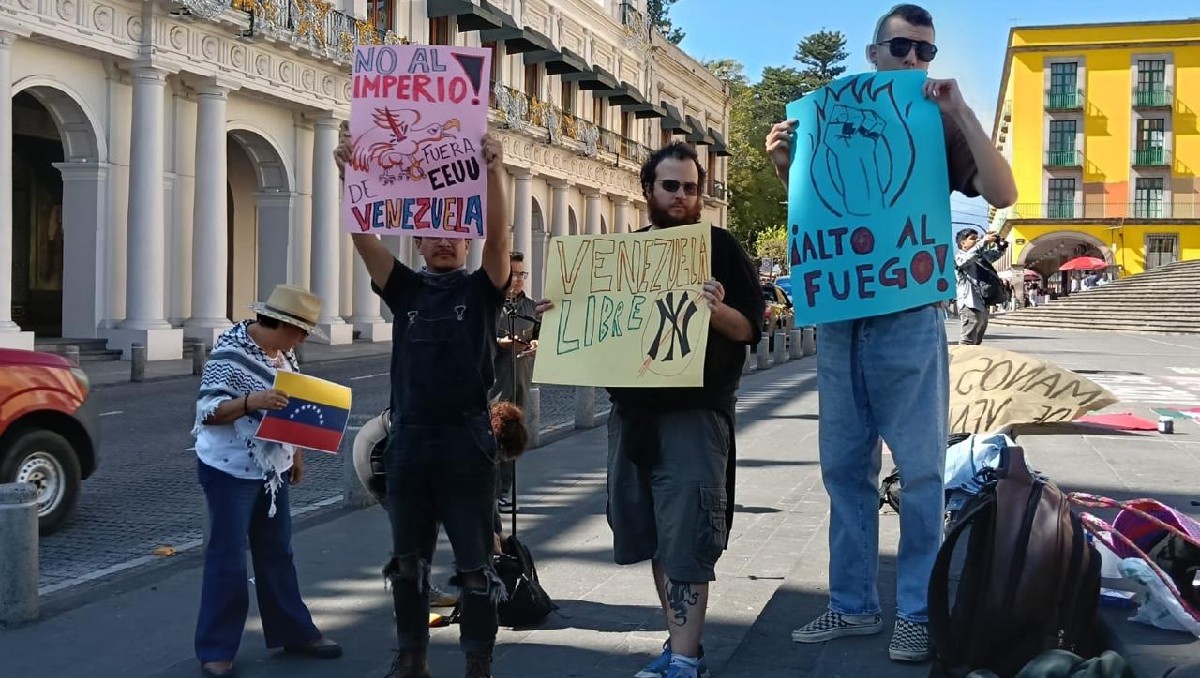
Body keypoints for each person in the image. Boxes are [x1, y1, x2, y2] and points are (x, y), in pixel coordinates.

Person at [764, 3, 1017, 663]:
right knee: (843, 469)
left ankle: (915, 612)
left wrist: (961, 111)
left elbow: (1004, 191)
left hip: (908, 318)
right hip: (844, 320)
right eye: (901, 48)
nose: (913, 61)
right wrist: (785, 164)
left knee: (923, 472)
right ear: (874, 52)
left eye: (925, 52)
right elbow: (817, 216)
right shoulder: (822, 119)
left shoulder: (938, 121)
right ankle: (851, 607)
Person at [535, 142, 765, 678]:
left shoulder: (720, 246)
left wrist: (716, 310)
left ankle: (686, 658)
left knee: (687, 535)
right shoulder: (621, 255)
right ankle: (678, 644)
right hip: (632, 419)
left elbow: (749, 329)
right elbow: (597, 333)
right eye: (672, 186)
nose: (684, 196)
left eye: (691, 187)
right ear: (648, 192)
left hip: (694, 415)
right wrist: (561, 316)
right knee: (656, 535)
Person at [336, 122, 510, 678]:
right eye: (432, 229)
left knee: (476, 566)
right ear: (417, 239)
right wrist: (352, 175)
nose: (441, 238)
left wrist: (496, 172)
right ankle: (412, 659)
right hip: (409, 442)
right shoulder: (404, 287)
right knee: (406, 564)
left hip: (467, 444)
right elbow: (364, 238)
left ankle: (477, 663)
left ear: (466, 239)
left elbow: (502, 240)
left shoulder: (482, 288)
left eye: (454, 230)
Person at [191, 284, 343, 677]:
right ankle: (216, 649)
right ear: (280, 324)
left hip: (269, 466)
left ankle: (295, 630)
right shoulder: (229, 353)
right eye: (300, 330)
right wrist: (250, 402)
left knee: (277, 551)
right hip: (229, 467)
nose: (304, 338)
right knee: (227, 557)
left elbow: (291, 407)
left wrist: (297, 453)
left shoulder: (282, 353)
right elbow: (208, 411)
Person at [490, 250, 539, 509]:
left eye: (522, 274)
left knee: (511, 440)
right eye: (514, 274)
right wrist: (500, 343)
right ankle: (490, 492)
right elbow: (477, 340)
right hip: (494, 386)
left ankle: (504, 491)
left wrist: (536, 342)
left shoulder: (530, 306)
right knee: (491, 440)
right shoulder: (490, 304)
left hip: (521, 383)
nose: (518, 279)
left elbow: (541, 333)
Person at [954, 228, 1006, 345]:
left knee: (977, 340)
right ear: (963, 243)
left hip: (982, 303)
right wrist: (983, 242)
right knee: (968, 340)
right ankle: (962, 362)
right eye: (972, 239)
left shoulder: (978, 256)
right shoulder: (959, 256)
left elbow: (994, 256)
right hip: (969, 302)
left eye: (977, 238)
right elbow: (965, 261)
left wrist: (1000, 244)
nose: (976, 240)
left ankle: (973, 362)